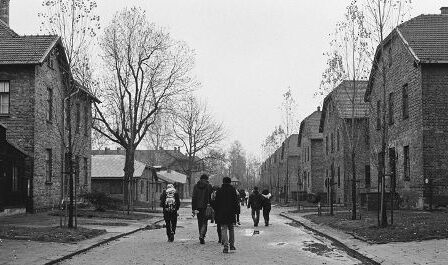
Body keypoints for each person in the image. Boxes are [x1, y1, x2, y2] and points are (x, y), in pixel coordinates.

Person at [215, 177, 239, 253]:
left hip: (222, 212)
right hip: (231, 212)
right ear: (230, 182)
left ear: (223, 182)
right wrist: (236, 212)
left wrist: (217, 211)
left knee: (223, 228)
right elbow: (236, 202)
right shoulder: (233, 190)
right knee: (231, 228)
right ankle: (232, 245)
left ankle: (225, 246)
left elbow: (216, 202)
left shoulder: (219, 190)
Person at [192, 173, 213, 244]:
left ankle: (200, 234)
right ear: (207, 179)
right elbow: (211, 197)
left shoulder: (195, 186)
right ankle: (202, 235)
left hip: (197, 207)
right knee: (205, 221)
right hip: (206, 207)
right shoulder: (209, 186)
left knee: (199, 221)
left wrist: (193, 208)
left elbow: (194, 197)